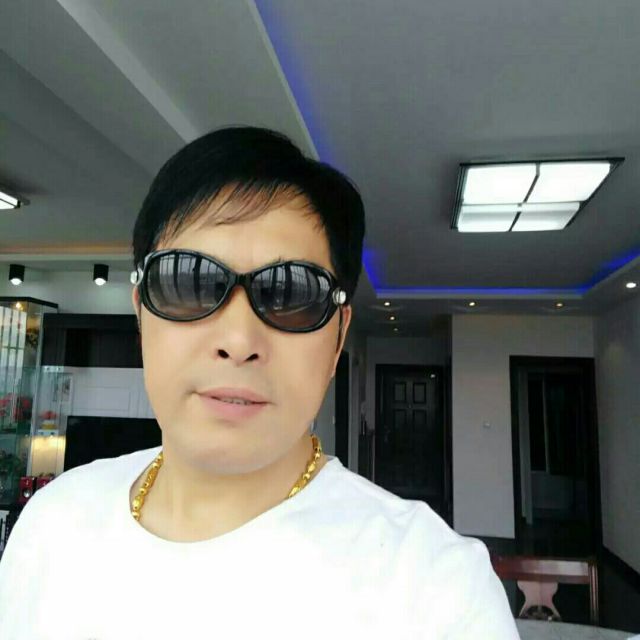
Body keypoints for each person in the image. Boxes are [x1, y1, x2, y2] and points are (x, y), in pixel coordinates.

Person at [0, 127, 520, 639]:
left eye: (292, 294)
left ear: (338, 338)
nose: (238, 340)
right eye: (189, 282)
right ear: (142, 315)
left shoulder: (435, 590)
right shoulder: (53, 523)